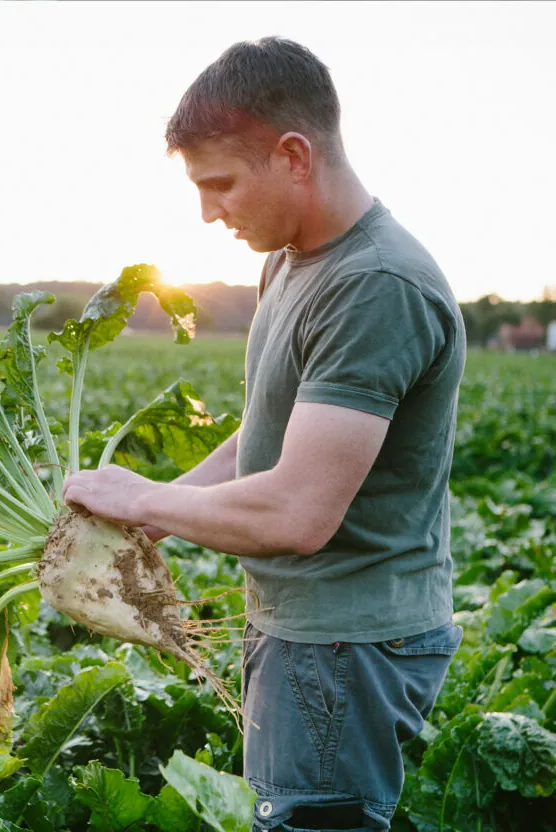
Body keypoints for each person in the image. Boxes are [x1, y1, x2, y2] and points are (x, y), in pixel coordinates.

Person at [63, 37, 465, 832]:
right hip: (304, 633)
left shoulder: (374, 285)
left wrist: (140, 493)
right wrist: (166, 504)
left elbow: (297, 514)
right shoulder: (290, 260)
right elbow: (270, 433)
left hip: (346, 646)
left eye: (220, 185)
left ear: (292, 155)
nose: (209, 212)